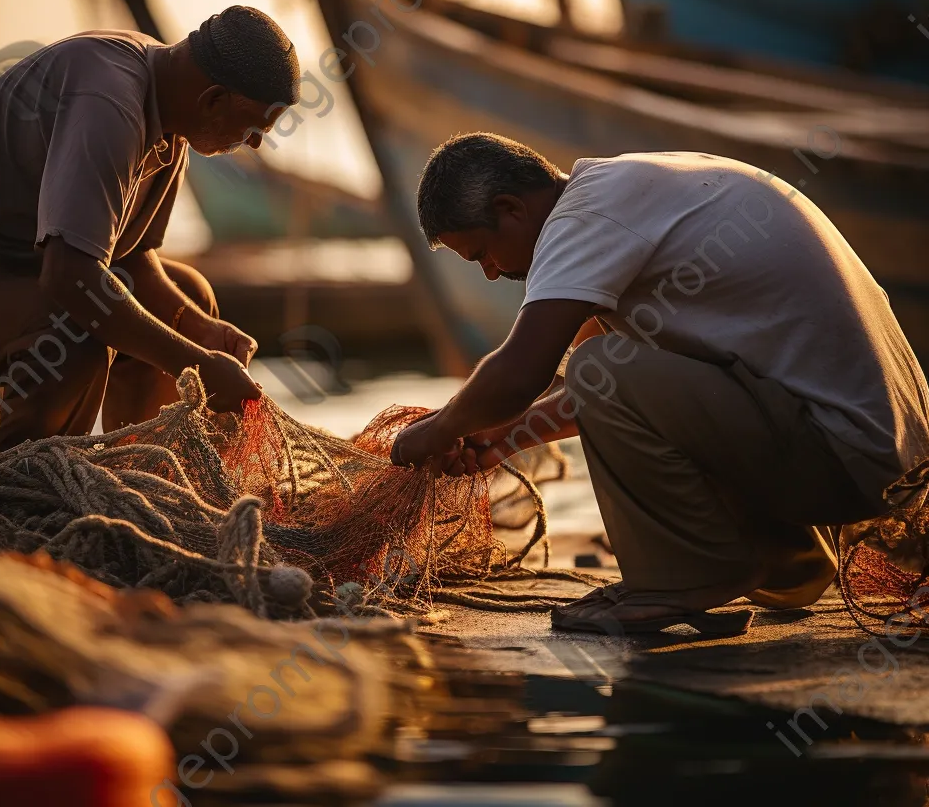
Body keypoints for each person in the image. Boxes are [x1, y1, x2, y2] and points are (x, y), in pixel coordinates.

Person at [390, 133, 929, 635]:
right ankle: (782, 558)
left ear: (511, 209)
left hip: (850, 460)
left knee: (593, 361)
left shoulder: (584, 216)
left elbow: (520, 373)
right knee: (602, 364)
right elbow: (628, 392)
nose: (488, 271)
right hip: (874, 457)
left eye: (481, 253)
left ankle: (686, 578)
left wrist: (436, 430)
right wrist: (505, 438)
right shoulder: (632, 188)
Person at [0, 5, 300, 450]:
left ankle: (139, 467)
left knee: (190, 297)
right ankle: (29, 487)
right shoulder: (109, 102)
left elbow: (132, 257)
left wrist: (200, 331)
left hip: (23, 271)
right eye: (253, 128)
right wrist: (200, 365)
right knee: (74, 338)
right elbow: (69, 276)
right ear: (212, 100)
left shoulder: (171, 115)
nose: (254, 143)